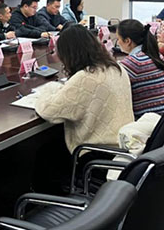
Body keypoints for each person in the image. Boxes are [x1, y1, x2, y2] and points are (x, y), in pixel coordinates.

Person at [34, 25, 133, 193]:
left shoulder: (86, 77)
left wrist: (47, 89)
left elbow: (48, 111)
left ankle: (50, 200)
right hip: (121, 145)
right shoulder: (116, 67)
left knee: (46, 153)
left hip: (96, 153)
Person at [117, 19, 164, 118]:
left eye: (118, 39)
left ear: (128, 41)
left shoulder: (134, 63)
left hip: (153, 120)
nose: (117, 42)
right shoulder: (156, 55)